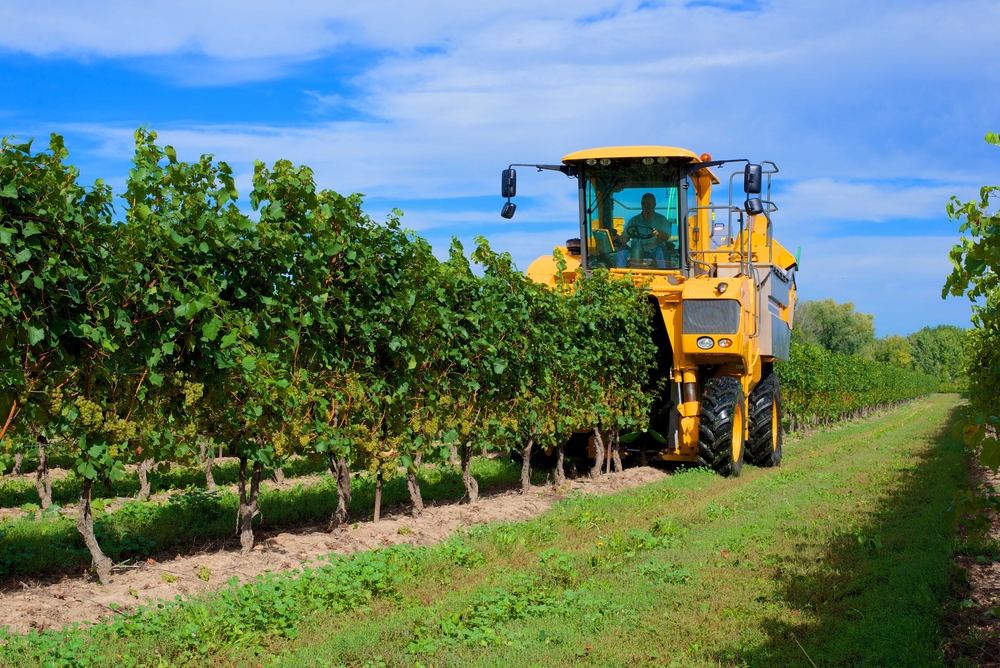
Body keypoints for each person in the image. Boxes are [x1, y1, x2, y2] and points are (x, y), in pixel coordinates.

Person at [615, 192, 673, 268]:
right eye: (644, 203)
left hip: (654, 250)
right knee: (621, 254)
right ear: (641, 204)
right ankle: (620, 277)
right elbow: (625, 238)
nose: (647, 206)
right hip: (635, 250)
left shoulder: (661, 220)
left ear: (654, 205)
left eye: (649, 204)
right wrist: (616, 237)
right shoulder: (634, 220)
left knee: (660, 252)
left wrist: (658, 233)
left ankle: (663, 275)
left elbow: (666, 237)